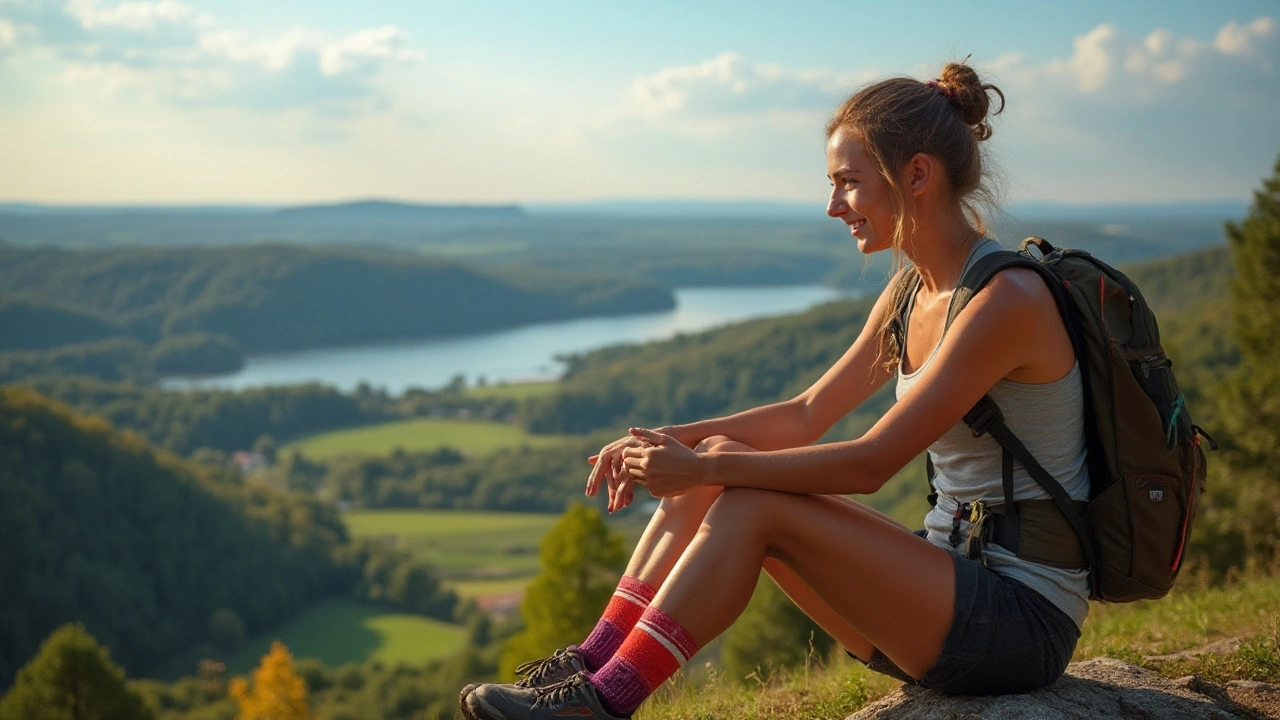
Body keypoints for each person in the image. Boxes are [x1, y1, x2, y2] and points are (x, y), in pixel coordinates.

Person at [460, 60, 1089, 720]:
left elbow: (873, 464)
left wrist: (702, 464)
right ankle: (589, 668)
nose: (833, 206)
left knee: (749, 500)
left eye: (849, 183)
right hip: (939, 597)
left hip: (1021, 622)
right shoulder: (912, 291)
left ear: (917, 176)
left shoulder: (1004, 301)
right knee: (723, 470)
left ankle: (604, 705)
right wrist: (669, 446)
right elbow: (808, 412)